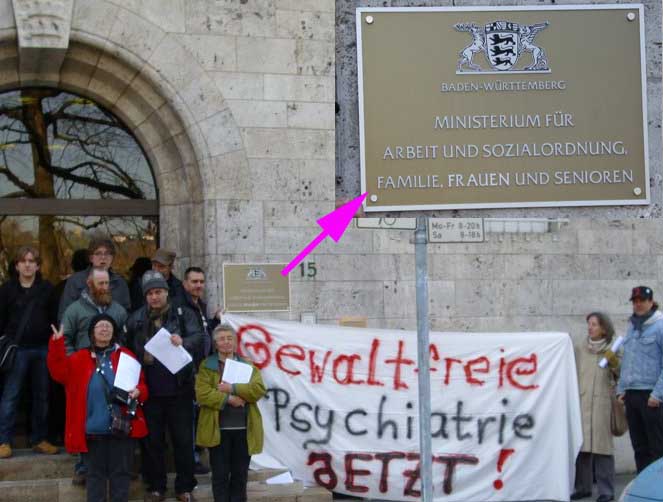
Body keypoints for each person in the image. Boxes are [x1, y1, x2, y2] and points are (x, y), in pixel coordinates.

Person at [48, 313, 148, 502]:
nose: (104, 329)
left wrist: (138, 392)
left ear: (114, 332)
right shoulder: (79, 357)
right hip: (93, 429)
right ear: (92, 333)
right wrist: (56, 344)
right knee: (95, 478)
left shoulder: (126, 355)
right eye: (100, 326)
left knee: (121, 476)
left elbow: (142, 385)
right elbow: (58, 373)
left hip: (122, 427)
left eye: (108, 326)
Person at [125, 270, 203, 502]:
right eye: (149, 293)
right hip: (150, 392)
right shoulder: (136, 318)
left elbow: (200, 338)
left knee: (183, 441)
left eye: (158, 292)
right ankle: (156, 486)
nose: (154, 297)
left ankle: (184, 487)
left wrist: (184, 342)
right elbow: (127, 348)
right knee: (153, 443)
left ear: (167, 293)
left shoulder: (183, 313)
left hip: (180, 389)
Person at [196, 324, 266, 502]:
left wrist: (232, 388)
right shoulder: (207, 365)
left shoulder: (247, 364)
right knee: (219, 476)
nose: (226, 342)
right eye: (221, 339)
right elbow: (202, 394)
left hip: (244, 429)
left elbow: (258, 389)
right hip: (218, 430)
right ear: (215, 343)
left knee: (240, 476)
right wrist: (229, 398)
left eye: (229, 338)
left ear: (235, 342)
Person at [0, 246, 58, 458]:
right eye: (23, 261)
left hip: (43, 348)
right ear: (16, 265)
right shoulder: (6, 290)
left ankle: (39, 439)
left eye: (32, 261)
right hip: (17, 350)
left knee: (41, 396)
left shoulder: (47, 289)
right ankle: (3, 441)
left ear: (38, 265)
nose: (27, 264)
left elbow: (54, 318)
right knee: (10, 395)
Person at [571, 312, 620, 502]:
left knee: (603, 449)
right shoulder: (580, 349)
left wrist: (614, 363)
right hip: (582, 402)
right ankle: (583, 487)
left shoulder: (613, 348)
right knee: (582, 448)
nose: (590, 328)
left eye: (594, 324)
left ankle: (606, 491)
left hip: (603, 403)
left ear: (604, 328)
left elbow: (621, 373)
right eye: (589, 324)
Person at [617, 286, 663, 473]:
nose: (638, 304)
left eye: (642, 300)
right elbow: (628, 359)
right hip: (632, 394)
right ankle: (643, 488)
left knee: (657, 447)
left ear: (651, 302)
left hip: (651, 396)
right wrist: (621, 389)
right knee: (639, 447)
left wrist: (657, 395)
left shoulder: (660, 326)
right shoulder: (632, 327)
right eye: (635, 301)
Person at [58, 237, 131, 321]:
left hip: (112, 332)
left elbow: (127, 316)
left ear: (112, 258)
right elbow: (64, 316)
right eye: (98, 253)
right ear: (91, 258)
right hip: (83, 332)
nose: (103, 257)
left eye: (107, 253)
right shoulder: (75, 281)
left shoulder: (120, 283)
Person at [61, 268, 128, 355]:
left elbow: (125, 339)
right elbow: (64, 339)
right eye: (100, 283)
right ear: (89, 283)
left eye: (106, 283)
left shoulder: (119, 311)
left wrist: (118, 358)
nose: (104, 287)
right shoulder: (74, 310)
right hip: (84, 364)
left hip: (112, 364)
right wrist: (75, 361)